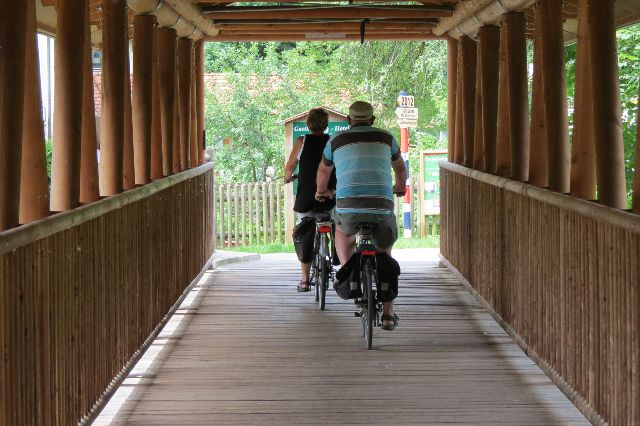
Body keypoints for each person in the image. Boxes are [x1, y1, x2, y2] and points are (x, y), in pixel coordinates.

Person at [315, 101, 406, 331]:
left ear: (348, 120)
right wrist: (400, 187)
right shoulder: (387, 138)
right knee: (385, 252)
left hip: (349, 207)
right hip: (381, 207)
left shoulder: (335, 141)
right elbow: (400, 168)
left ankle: (347, 273)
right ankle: (388, 314)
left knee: (343, 233)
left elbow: (324, 170)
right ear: (373, 120)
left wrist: (320, 192)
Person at [284, 108, 336, 292]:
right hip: (330, 194)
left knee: (305, 232)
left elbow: (291, 165)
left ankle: (305, 280)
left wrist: (288, 176)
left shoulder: (302, 141)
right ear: (326, 124)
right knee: (338, 224)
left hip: (307, 196)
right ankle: (339, 260)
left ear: (308, 124)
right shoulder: (332, 141)